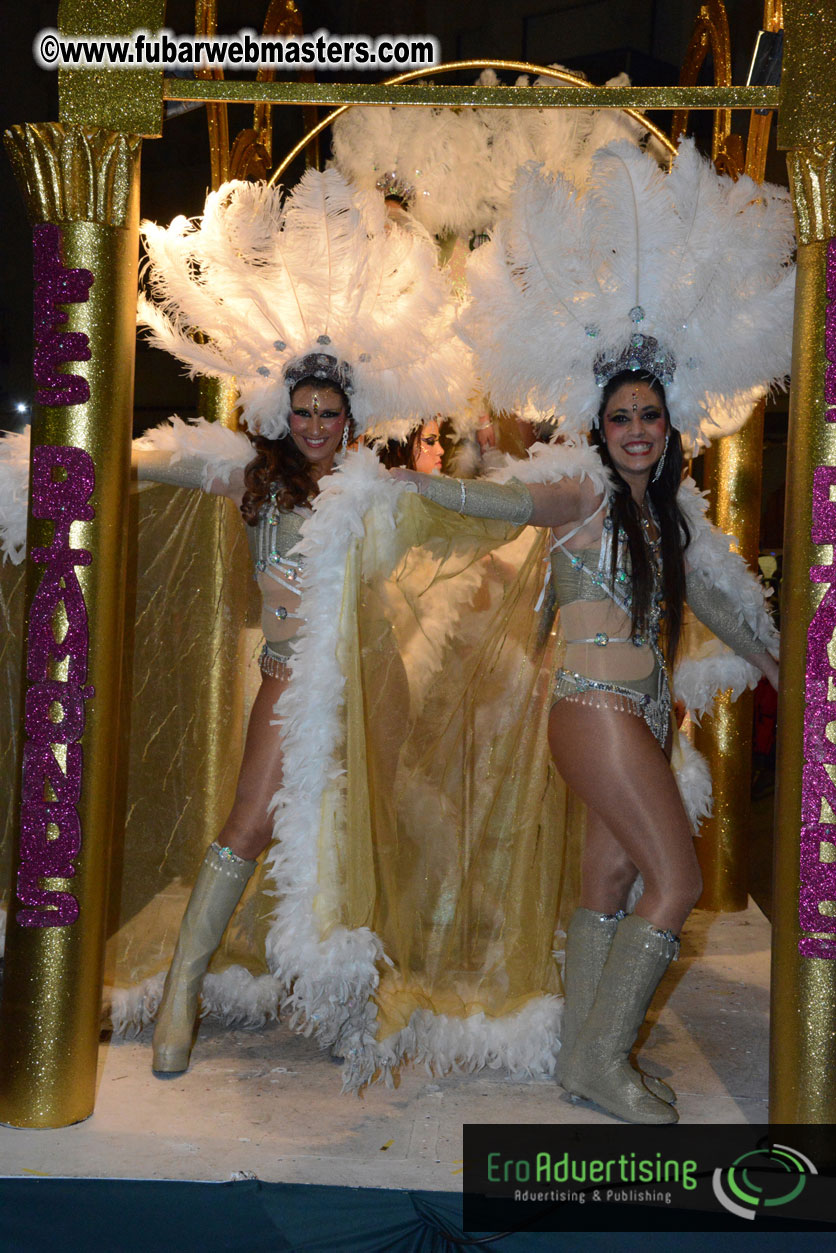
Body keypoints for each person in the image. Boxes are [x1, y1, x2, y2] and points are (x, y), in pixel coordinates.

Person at [384, 135, 793, 1122]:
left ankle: (578, 1058)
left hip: (636, 715)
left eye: (647, 416)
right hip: (594, 709)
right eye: (620, 418)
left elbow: (713, 604)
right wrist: (402, 482)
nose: (636, 431)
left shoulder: (669, 513)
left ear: (669, 422)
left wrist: (788, 660)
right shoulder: (574, 491)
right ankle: (607, 1058)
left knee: (610, 878)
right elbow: (489, 504)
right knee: (676, 876)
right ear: (598, 425)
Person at [133, 168, 472, 1076]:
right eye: (306, 410)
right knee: (247, 823)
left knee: (372, 820)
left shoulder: (372, 489)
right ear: (287, 408)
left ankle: (363, 985)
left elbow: (463, 518)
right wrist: (80, 457)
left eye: (333, 412)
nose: (317, 424)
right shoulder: (249, 472)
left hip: (371, 677)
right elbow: (154, 462)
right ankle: (180, 993)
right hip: (290, 679)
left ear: (351, 417)